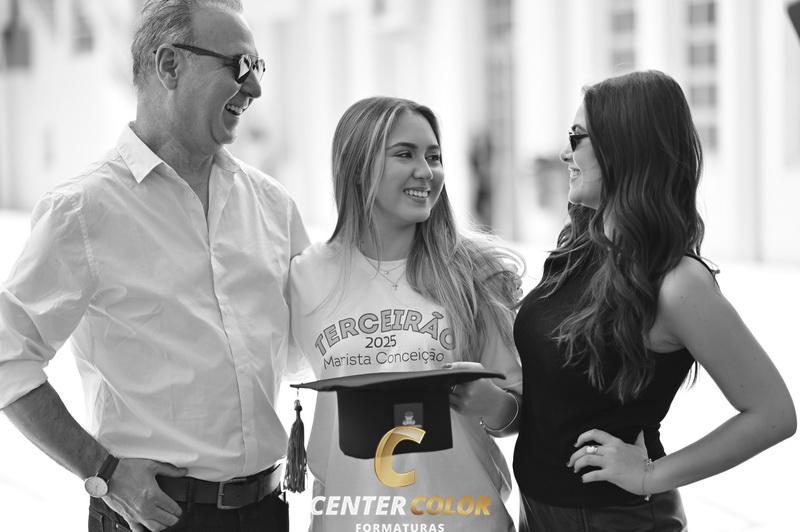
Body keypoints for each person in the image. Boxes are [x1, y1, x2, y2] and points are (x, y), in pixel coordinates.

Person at [0, 1, 309, 531]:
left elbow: (315, 346)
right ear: (170, 66)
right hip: (153, 517)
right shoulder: (83, 209)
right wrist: (103, 471)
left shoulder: (273, 205)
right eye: (240, 65)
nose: (255, 88)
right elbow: (8, 355)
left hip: (267, 511)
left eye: (259, 67)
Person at [513, 70, 796, 531]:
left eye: (577, 137)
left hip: (614, 520)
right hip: (537, 512)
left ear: (624, 148)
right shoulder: (579, 247)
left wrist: (650, 474)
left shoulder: (677, 282)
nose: (565, 152)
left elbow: (774, 414)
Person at [289, 96, 523, 531]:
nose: (426, 171)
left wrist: (493, 404)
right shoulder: (306, 275)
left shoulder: (475, 272)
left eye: (433, 156)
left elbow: (518, 411)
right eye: (405, 154)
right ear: (358, 166)